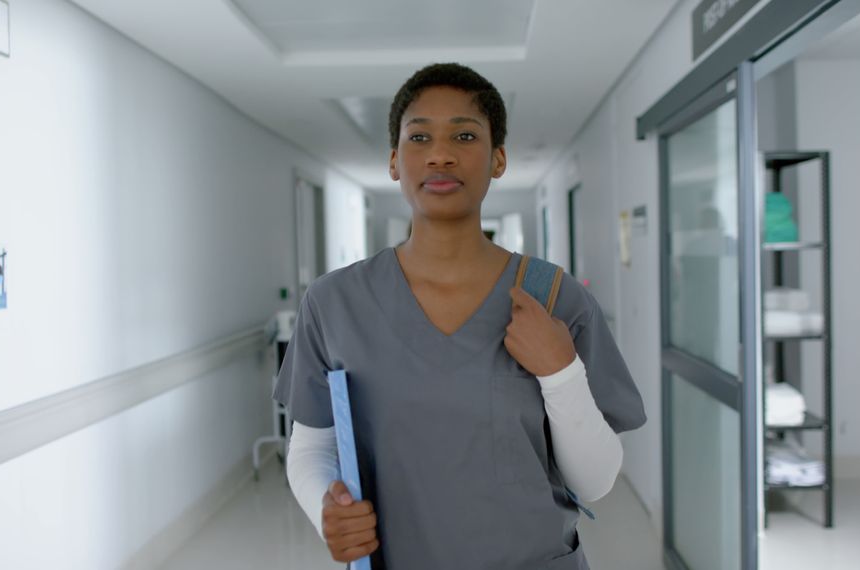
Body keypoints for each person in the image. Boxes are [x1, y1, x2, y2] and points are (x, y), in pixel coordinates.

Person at [273, 63, 646, 570]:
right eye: (419, 136)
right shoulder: (335, 302)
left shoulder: (554, 298)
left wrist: (561, 372)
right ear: (393, 161)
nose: (441, 154)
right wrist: (327, 512)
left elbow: (596, 482)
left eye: (464, 136)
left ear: (498, 160)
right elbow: (312, 444)